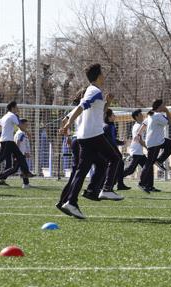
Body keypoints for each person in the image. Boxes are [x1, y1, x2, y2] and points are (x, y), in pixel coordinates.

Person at [59, 63, 123, 219]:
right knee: (115, 158)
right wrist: (68, 124)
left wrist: (107, 102)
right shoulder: (94, 90)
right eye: (103, 73)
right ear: (99, 76)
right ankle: (106, 189)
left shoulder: (94, 92)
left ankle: (73, 201)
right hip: (93, 135)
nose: (104, 76)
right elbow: (82, 106)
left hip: (85, 136)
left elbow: (97, 113)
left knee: (89, 168)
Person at [0, 101, 34, 186]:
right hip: (8, 140)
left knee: (19, 156)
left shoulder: (5, 116)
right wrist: (27, 132)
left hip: (7, 140)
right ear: (13, 108)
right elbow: (20, 126)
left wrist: (3, 130)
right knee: (1, 157)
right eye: (17, 107)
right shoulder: (13, 115)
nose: (18, 109)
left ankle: (26, 173)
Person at [138, 99, 171, 193]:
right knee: (149, 164)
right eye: (163, 105)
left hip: (157, 141)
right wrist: (167, 111)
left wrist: (139, 135)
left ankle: (159, 161)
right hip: (155, 143)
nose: (165, 106)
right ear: (160, 106)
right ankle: (141, 183)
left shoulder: (151, 115)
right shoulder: (158, 115)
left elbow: (143, 125)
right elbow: (170, 122)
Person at [102, 108, 130, 191]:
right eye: (113, 115)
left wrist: (121, 142)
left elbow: (112, 139)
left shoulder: (110, 126)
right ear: (109, 117)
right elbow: (110, 141)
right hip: (109, 149)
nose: (115, 116)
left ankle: (119, 184)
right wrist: (120, 144)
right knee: (114, 165)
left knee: (120, 164)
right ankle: (109, 184)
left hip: (110, 149)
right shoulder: (108, 126)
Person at [123, 109, 147, 179]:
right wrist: (148, 148)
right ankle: (114, 179)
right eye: (140, 114)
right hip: (136, 152)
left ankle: (147, 185)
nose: (142, 115)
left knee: (148, 167)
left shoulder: (140, 125)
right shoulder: (137, 127)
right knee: (130, 170)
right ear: (136, 117)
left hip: (139, 152)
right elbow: (140, 140)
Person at [14, 119, 32, 189]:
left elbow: (22, 144)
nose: (27, 126)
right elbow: (17, 143)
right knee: (14, 169)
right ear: (22, 124)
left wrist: (25, 152)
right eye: (26, 125)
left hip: (21, 153)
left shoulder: (21, 133)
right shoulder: (20, 133)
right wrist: (17, 153)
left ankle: (26, 184)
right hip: (19, 154)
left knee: (23, 168)